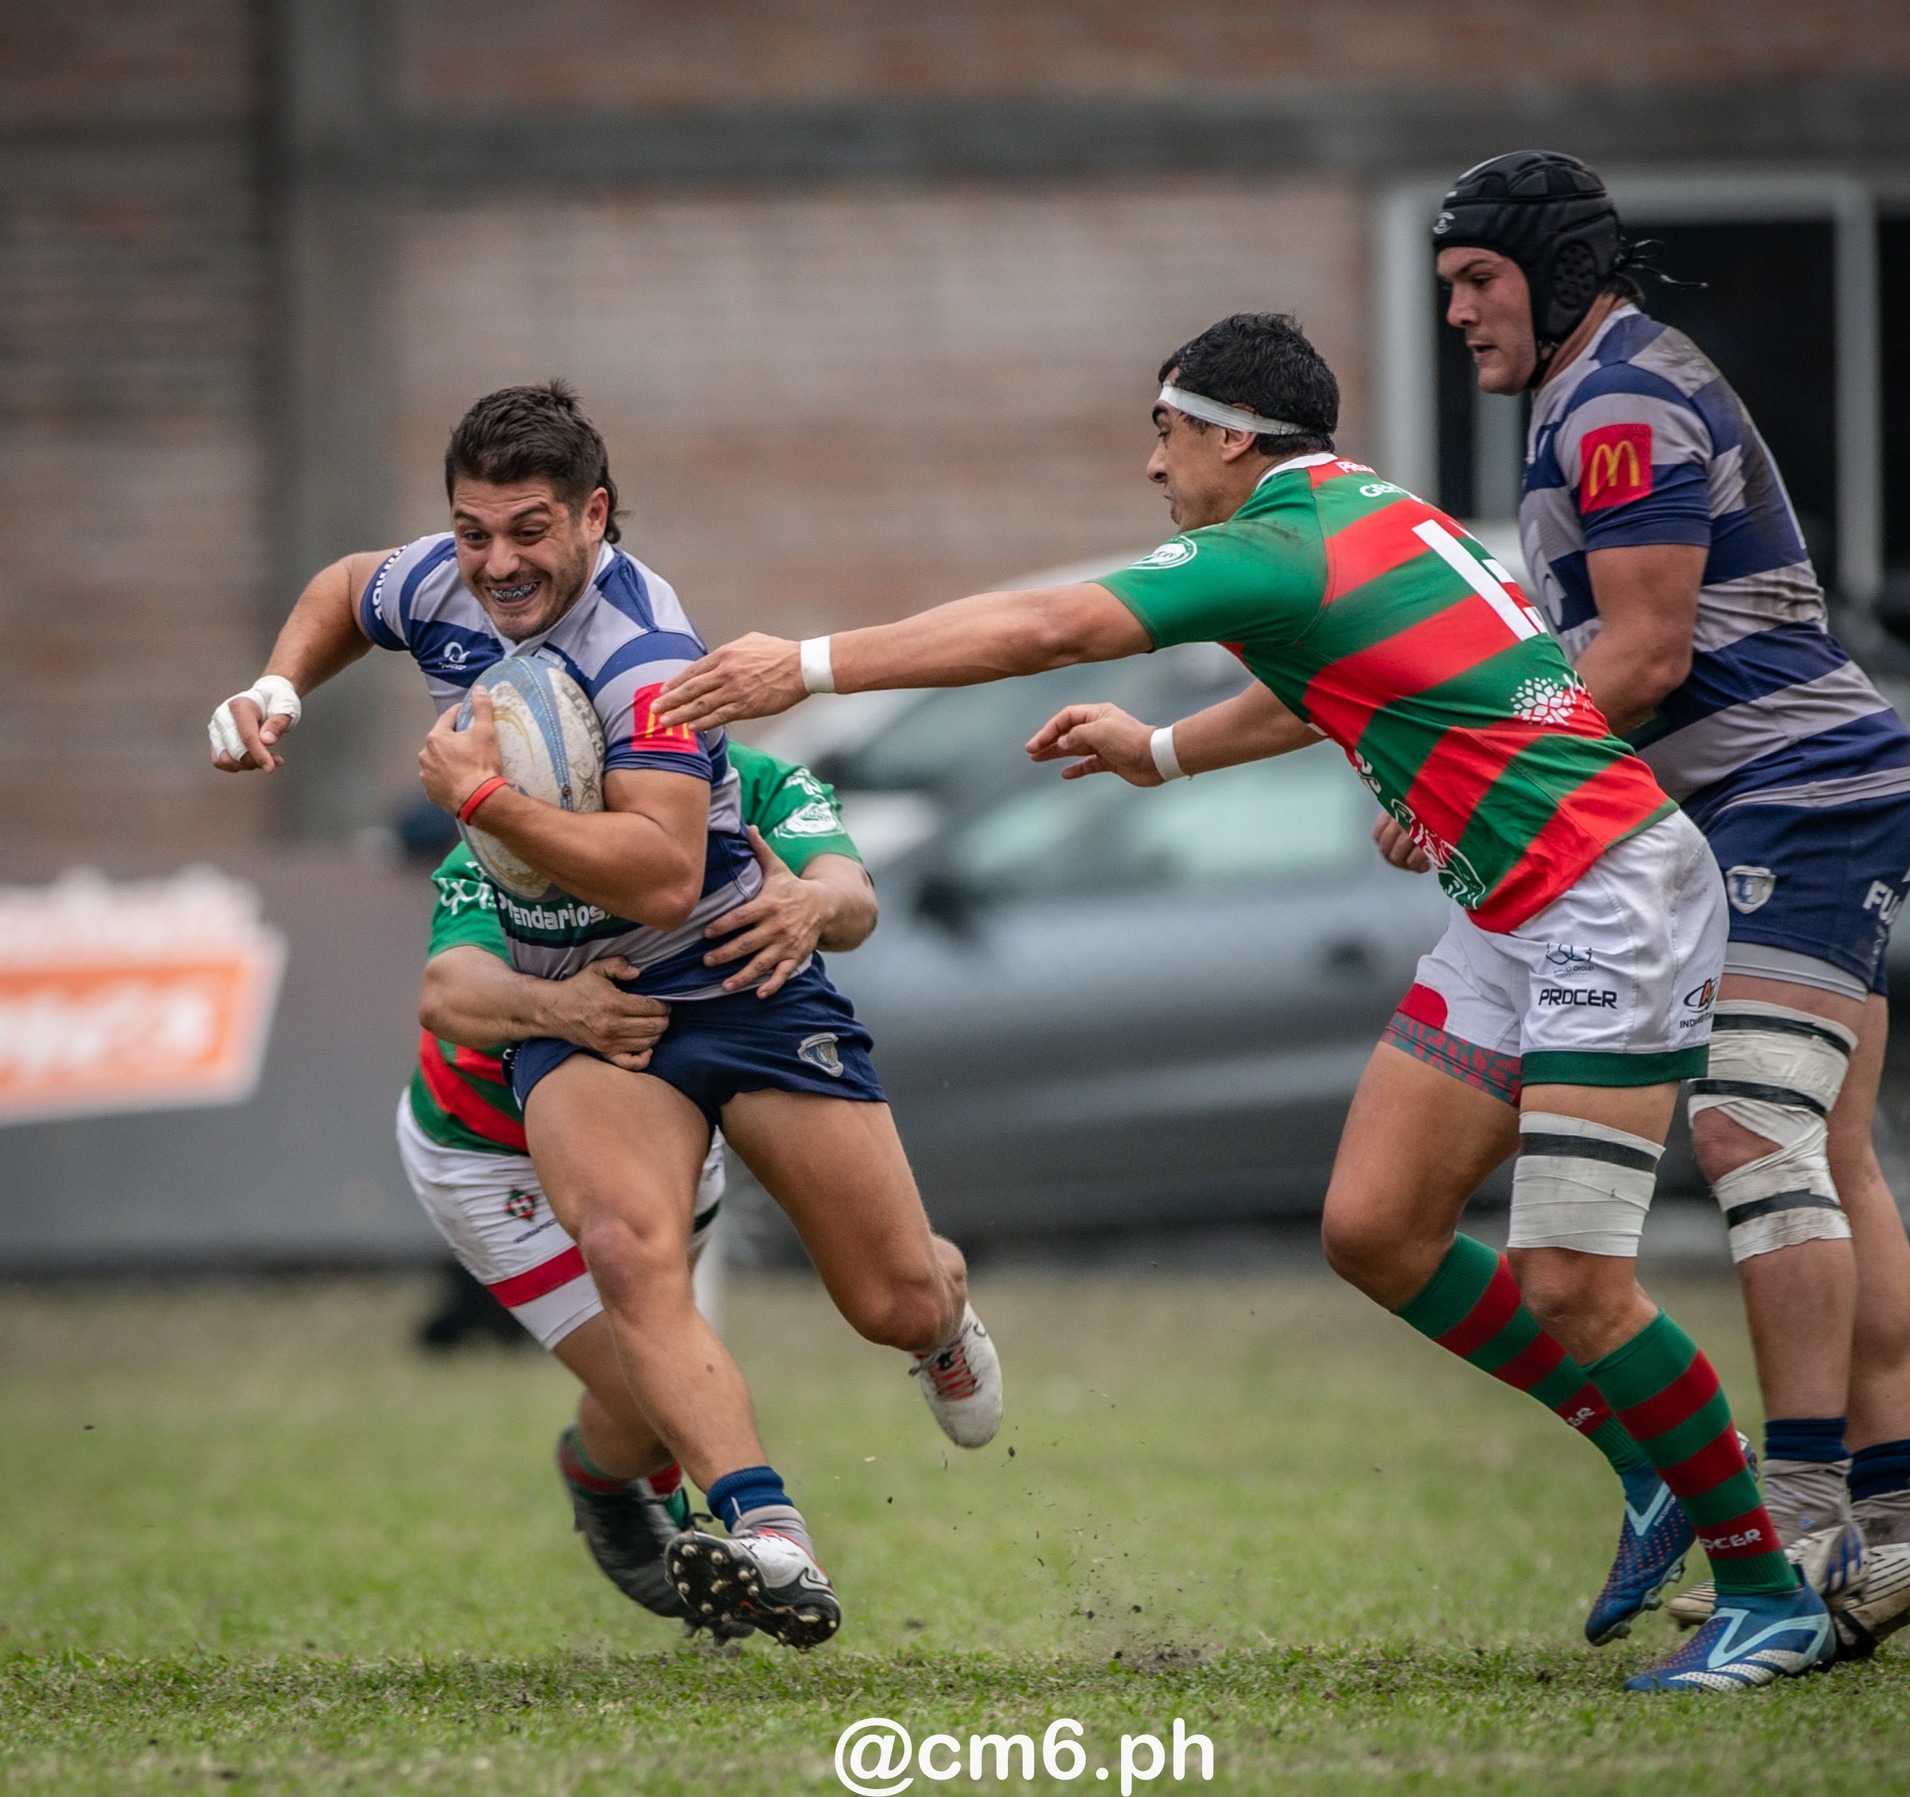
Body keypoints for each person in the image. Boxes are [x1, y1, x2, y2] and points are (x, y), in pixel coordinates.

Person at [657, 312, 1835, 1692]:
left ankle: (1765, 1584)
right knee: (1379, 1228)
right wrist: (1162, 750)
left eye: (1164, 430)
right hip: (1516, 905)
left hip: (1609, 899)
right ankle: (1649, 1459)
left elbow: (1049, 625)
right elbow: (1326, 689)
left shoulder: (1278, 540)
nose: (1153, 467)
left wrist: (805, 666)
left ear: (1227, 434)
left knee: (1571, 1278)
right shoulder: (1357, 515)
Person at [207, 381, 1002, 1648]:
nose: (496, 564)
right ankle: (766, 1532)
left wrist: (481, 804)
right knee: (631, 1251)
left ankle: (940, 1317)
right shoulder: (444, 581)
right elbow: (346, 588)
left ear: (596, 516)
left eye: (527, 532)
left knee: (893, 1302)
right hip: (587, 1010)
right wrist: (279, 691)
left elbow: (664, 875)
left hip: (727, 973)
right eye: (472, 533)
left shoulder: (646, 659)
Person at [1428, 150, 1910, 1655]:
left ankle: (1796, 1521)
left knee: (1750, 1128)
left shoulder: (1616, 402)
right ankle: (1909, 1518)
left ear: (1550, 271)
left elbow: (1647, 652)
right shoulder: (1586, 391)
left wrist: (1475, 775)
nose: (1460, 313)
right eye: (1449, 287)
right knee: (1833, 1148)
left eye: (1479, 282)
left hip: (1802, 796)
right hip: (1787, 794)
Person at [402, 741, 880, 1631]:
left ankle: (628, 1485)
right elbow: (446, 990)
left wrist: (811, 902)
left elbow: (855, 898)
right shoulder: (510, 839)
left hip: (660, 1109)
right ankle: (714, 1520)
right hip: (487, 1147)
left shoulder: (756, 782)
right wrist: (558, 1006)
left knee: (655, 1368)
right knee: (643, 1390)